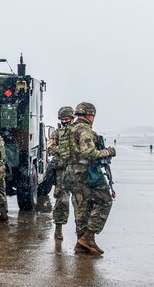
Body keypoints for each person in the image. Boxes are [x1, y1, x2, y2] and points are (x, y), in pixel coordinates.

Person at [67, 102, 115, 255]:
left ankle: (81, 243)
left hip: (71, 173)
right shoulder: (84, 130)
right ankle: (88, 237)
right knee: (105, 201)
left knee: (82, 206)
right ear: (90, 115)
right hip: (85, 173)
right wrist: (108, 152)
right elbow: (89, 153)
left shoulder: (68, 130)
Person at [46, 106, 76, 240]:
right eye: (62, 119)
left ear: (72, 118)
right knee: (62, 200)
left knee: (80, 201)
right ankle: (58, 229)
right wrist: (62, 150)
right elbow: (50, 148)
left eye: (67, 118)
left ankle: (82, 230)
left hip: (77, 170)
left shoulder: (78, 131)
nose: (65, 121)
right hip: (62, 170)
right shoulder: (57, 133)